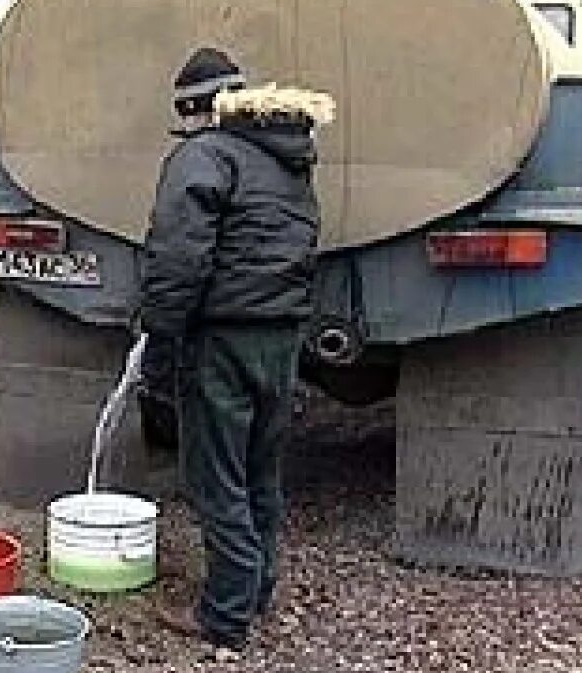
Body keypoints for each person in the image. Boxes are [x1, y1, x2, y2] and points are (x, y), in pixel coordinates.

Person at [140, 47, 332, 651]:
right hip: (281, 338)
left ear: (197, 110)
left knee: (215, 478)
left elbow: (178, 258)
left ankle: (225, 617)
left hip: (222, 339)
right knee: (259, 472)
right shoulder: (289, 160)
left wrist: (160, 342)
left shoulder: (204, 156)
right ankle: (257, 591)